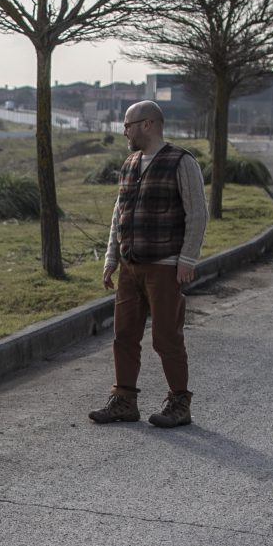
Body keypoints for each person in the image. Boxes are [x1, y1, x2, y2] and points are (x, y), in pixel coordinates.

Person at [90, 101, 207, 428]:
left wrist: (187, 259)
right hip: (130, 266)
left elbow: (197, 212)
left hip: (165, 266)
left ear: (149, 124)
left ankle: (179, 403)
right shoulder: (129, 163)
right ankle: (124, 400)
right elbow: (119, 213)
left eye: (128, 124)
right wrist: (111, 258)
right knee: (123, 334)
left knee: (166, 337)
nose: (124, 131)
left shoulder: (181, 162)